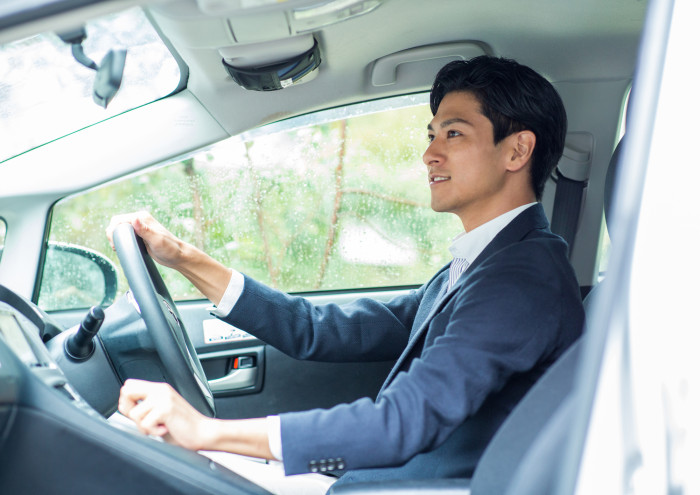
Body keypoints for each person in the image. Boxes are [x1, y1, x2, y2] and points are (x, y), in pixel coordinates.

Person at [107, 55, 584, 493]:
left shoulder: (522, 278)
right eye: (431, 135)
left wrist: (206, 432)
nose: (430, 155)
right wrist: (184, 258)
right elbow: (321, 329)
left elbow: (403, 422)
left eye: (453, 134)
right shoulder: (483, 262)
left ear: (517, 151)